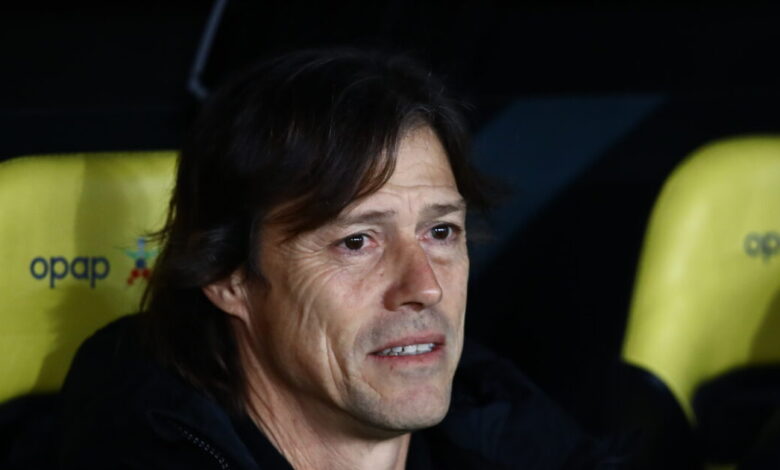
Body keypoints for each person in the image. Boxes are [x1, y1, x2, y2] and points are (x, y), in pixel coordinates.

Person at [57, 48, 624, 469]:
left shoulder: (494, 415)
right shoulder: (138, 447)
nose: (424, 286)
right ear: (228, 276)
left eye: (440, 231)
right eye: (357, 241)